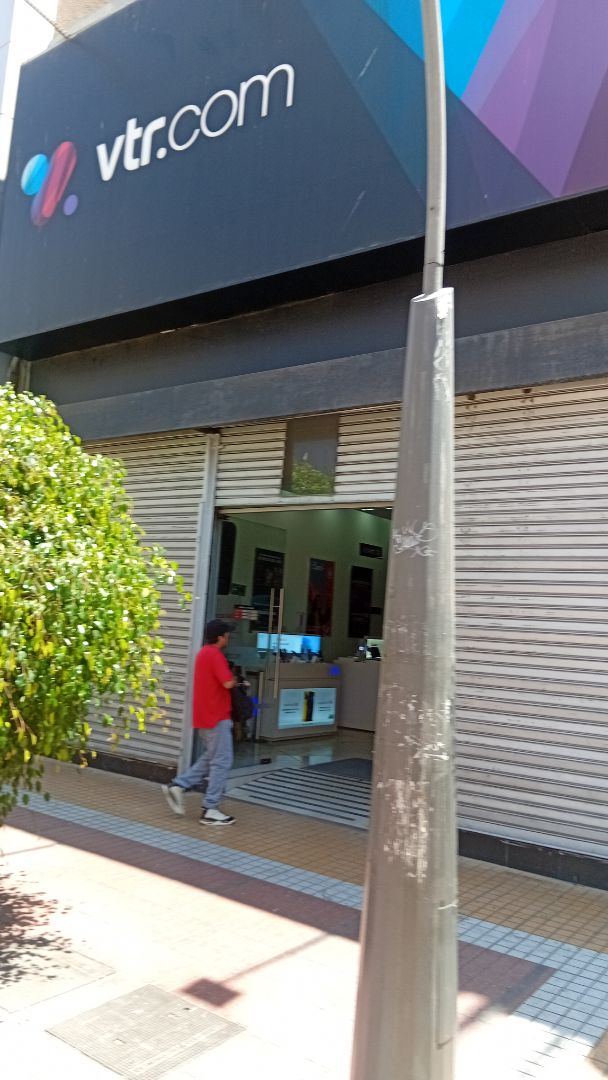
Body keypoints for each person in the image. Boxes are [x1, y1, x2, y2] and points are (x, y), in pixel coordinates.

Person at [162, 619, 236, 825]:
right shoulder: (215, 655)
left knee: (211, 757)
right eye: (227, 634)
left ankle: (179, 785)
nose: (229, 637)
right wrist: (236, 679)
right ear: (220, 637)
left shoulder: (203, 653)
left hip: (204, 716)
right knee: (222, 761)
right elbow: (227, 682)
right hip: (217, 716)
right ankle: (210, 809)